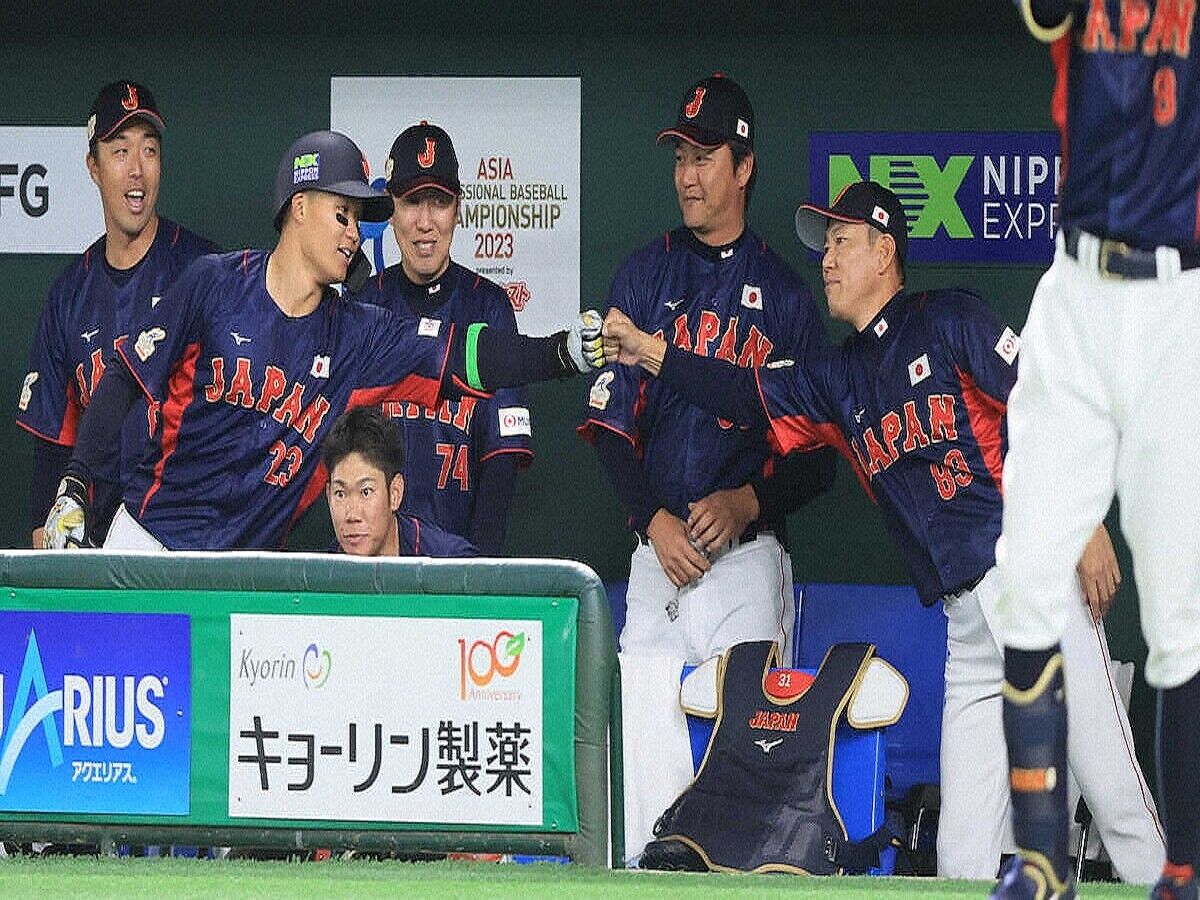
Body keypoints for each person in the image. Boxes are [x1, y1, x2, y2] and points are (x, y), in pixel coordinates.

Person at [601, 180, 1165, 883]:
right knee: (961, 856)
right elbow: (742, 391)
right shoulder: (839, 378)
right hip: (967, 623)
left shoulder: (949, 318)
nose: (827, 259)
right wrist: (651, 352)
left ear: (883, 252)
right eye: (824, 247)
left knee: (1113, 793)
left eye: (841, 242)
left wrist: (1085, 523)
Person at [42, 129, 602, 552]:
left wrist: (561, 352)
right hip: (150, 545)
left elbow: (466, 355)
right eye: (343, 213)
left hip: (248, 575)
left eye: (359, 219)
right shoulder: (213, 284)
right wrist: (76, 484)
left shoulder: (357, 332)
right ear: (300, 206)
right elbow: (124, 379)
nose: (354, 233)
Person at [992, 3, 1200, 898]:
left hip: (1181, 301)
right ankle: (1042, 862)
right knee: (1026, 574)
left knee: (1181, 611)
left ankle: (1184, 870)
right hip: (1077, 289)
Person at [579, 73, 835, 666]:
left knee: (745, 718)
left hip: (746, 558)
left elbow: (820, 457)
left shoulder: (785, 297)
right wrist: (654, 521)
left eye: (703, 158)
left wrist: (748, 501)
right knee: (642, 720)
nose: (686, 176)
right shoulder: (643, 275)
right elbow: (608, 426)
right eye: (680, 158)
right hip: (658, 555)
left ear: (743, 168)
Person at [16, 80, 217, 547]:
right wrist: (51, 551)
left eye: (149, 151)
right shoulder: (70, 295)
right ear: (94, 166)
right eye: (120, 151)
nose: (137, 170)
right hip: (99, 542)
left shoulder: (203, 271)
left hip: (187, 535)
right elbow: (53, 449)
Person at [355, 122, 529, 554]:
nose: (425, 222)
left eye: (439, 202)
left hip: (458, 552)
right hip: (372, 559)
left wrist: (477, 566)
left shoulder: (489, 307)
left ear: (458, 208)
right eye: (412, 202)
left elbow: (503, 456)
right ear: (390, 209)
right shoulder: (362, 306)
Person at [322, 406, 478, 557]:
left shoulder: (450, 562)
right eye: (340, 494)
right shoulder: (321, 571)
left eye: (366, 492)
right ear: (329, 497)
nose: (352, 515)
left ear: (395, 494)